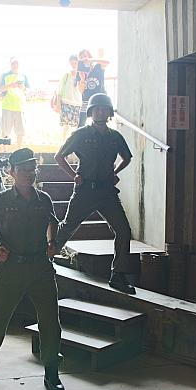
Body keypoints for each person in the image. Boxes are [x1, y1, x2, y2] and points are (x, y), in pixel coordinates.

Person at [0, 148, 66, 390]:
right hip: (11, 267)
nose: (29, 173)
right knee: (1, 316)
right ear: (12, 172)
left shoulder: (43, 199)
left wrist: (52, 242)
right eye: (24, 169)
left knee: (50, 319)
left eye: (32, 169)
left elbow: (53, 221)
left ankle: (51, 371)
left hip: (40, 268)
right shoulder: (1, 200)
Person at [54, 93, 136, 294]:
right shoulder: (80, 134)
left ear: (109, 112)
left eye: (104, 109)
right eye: (97, 109)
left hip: (107, 192)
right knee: (67, 227)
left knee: (123, 230)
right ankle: (44, 261)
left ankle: (118, 275)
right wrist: (73, 175)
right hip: (85, 191)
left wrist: (115, 173)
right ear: (91, 112)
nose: (100, 112)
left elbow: (127, 158)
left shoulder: (115, 137)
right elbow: (59, 156)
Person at [0, 57, 29, 148]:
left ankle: (19, 149)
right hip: (7, 106)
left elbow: (28, 90)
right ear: (10, 64)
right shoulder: (4, 75)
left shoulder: (24, 76)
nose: (15, 65)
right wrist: (10, 85)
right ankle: (4, 150)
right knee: (5, 130)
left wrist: (22, 87)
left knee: (20, 131)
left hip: (20, 107)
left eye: (17, 63)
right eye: (13, 63)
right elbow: (0, 88)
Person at [77, 49, 109, 127]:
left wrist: (91, 60)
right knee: (81, 124)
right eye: (82, 57)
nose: (84, 58)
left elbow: (107, 62)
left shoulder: (98, 67)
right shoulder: (80, 72)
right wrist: (82, 79)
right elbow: (81, 91)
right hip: (86, 101)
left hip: (99, 100)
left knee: (100, 123)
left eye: (85, 56)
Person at [57, 54, 82, 141]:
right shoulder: (66, 75)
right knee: (66, 126)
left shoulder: (81, 74)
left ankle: (73, 143)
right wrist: (58, 104)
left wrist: (81, 77)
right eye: (72, 63)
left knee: (75, 126)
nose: (73, 65)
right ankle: (64, 143)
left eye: (75, 63)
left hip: (77, 103)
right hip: (66, 102)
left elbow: (82, 90)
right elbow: (59, 90)